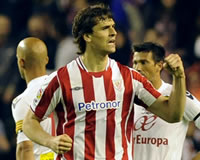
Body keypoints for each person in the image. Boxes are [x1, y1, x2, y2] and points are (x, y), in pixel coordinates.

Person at [23, 4, 186, 160]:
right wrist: (50, 141)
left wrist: (179, 77)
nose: (114, 33)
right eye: (105, 28)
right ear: (87, 36)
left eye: (113, 27)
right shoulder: (61, 79)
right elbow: (29, 122)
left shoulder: (129, 77)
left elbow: (172, 114)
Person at [132, 42, 200, 160]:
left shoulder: (178, 96)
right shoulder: (128, 95)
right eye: (135, 63)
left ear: (159, 65)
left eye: (144, 62)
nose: (137, 68)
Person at [11, 37, 56, 160]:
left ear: (21, 62)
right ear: (46, 60)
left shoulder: (22, 101)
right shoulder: (62, 87)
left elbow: (25, 147)